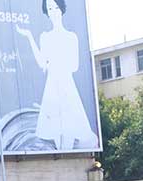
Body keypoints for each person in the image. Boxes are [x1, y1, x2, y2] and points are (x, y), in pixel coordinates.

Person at [16, 0, 98, 150]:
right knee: (55, 129)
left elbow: (74, 66)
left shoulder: (71, 37)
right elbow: (42, 63)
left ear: (61, 9)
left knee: (70, 127)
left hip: (67, 86)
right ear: (46, 12)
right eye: (50, 9)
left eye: (55, 7)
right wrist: (29, 37)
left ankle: (67, 153)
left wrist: (57, 60)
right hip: (52, 87)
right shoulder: (45, 37)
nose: (53, 12)